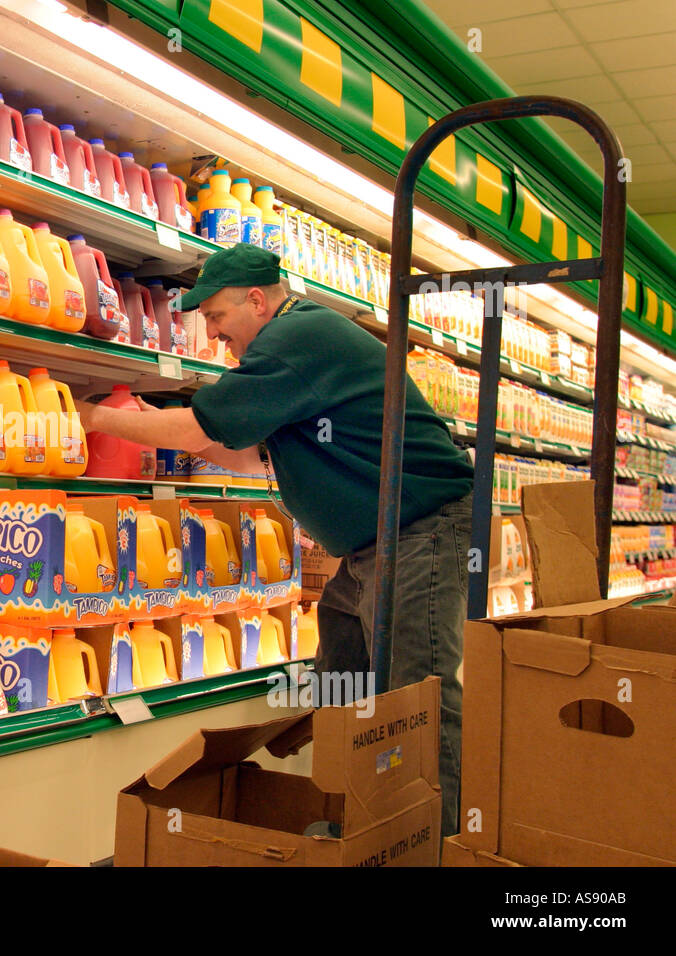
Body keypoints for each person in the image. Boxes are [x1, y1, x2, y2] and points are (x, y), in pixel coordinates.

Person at [75, 243, 474, 835]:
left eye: (214, 317)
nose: (212, 336)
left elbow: (198, 426)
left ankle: (438, 845)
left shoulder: (295, 342)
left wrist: (96, 418)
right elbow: (232, 448)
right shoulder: (291, 350)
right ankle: (363, 824)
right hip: (374, 546)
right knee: (343, 669)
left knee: (417, 696)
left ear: (257, 301)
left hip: (421, 530)